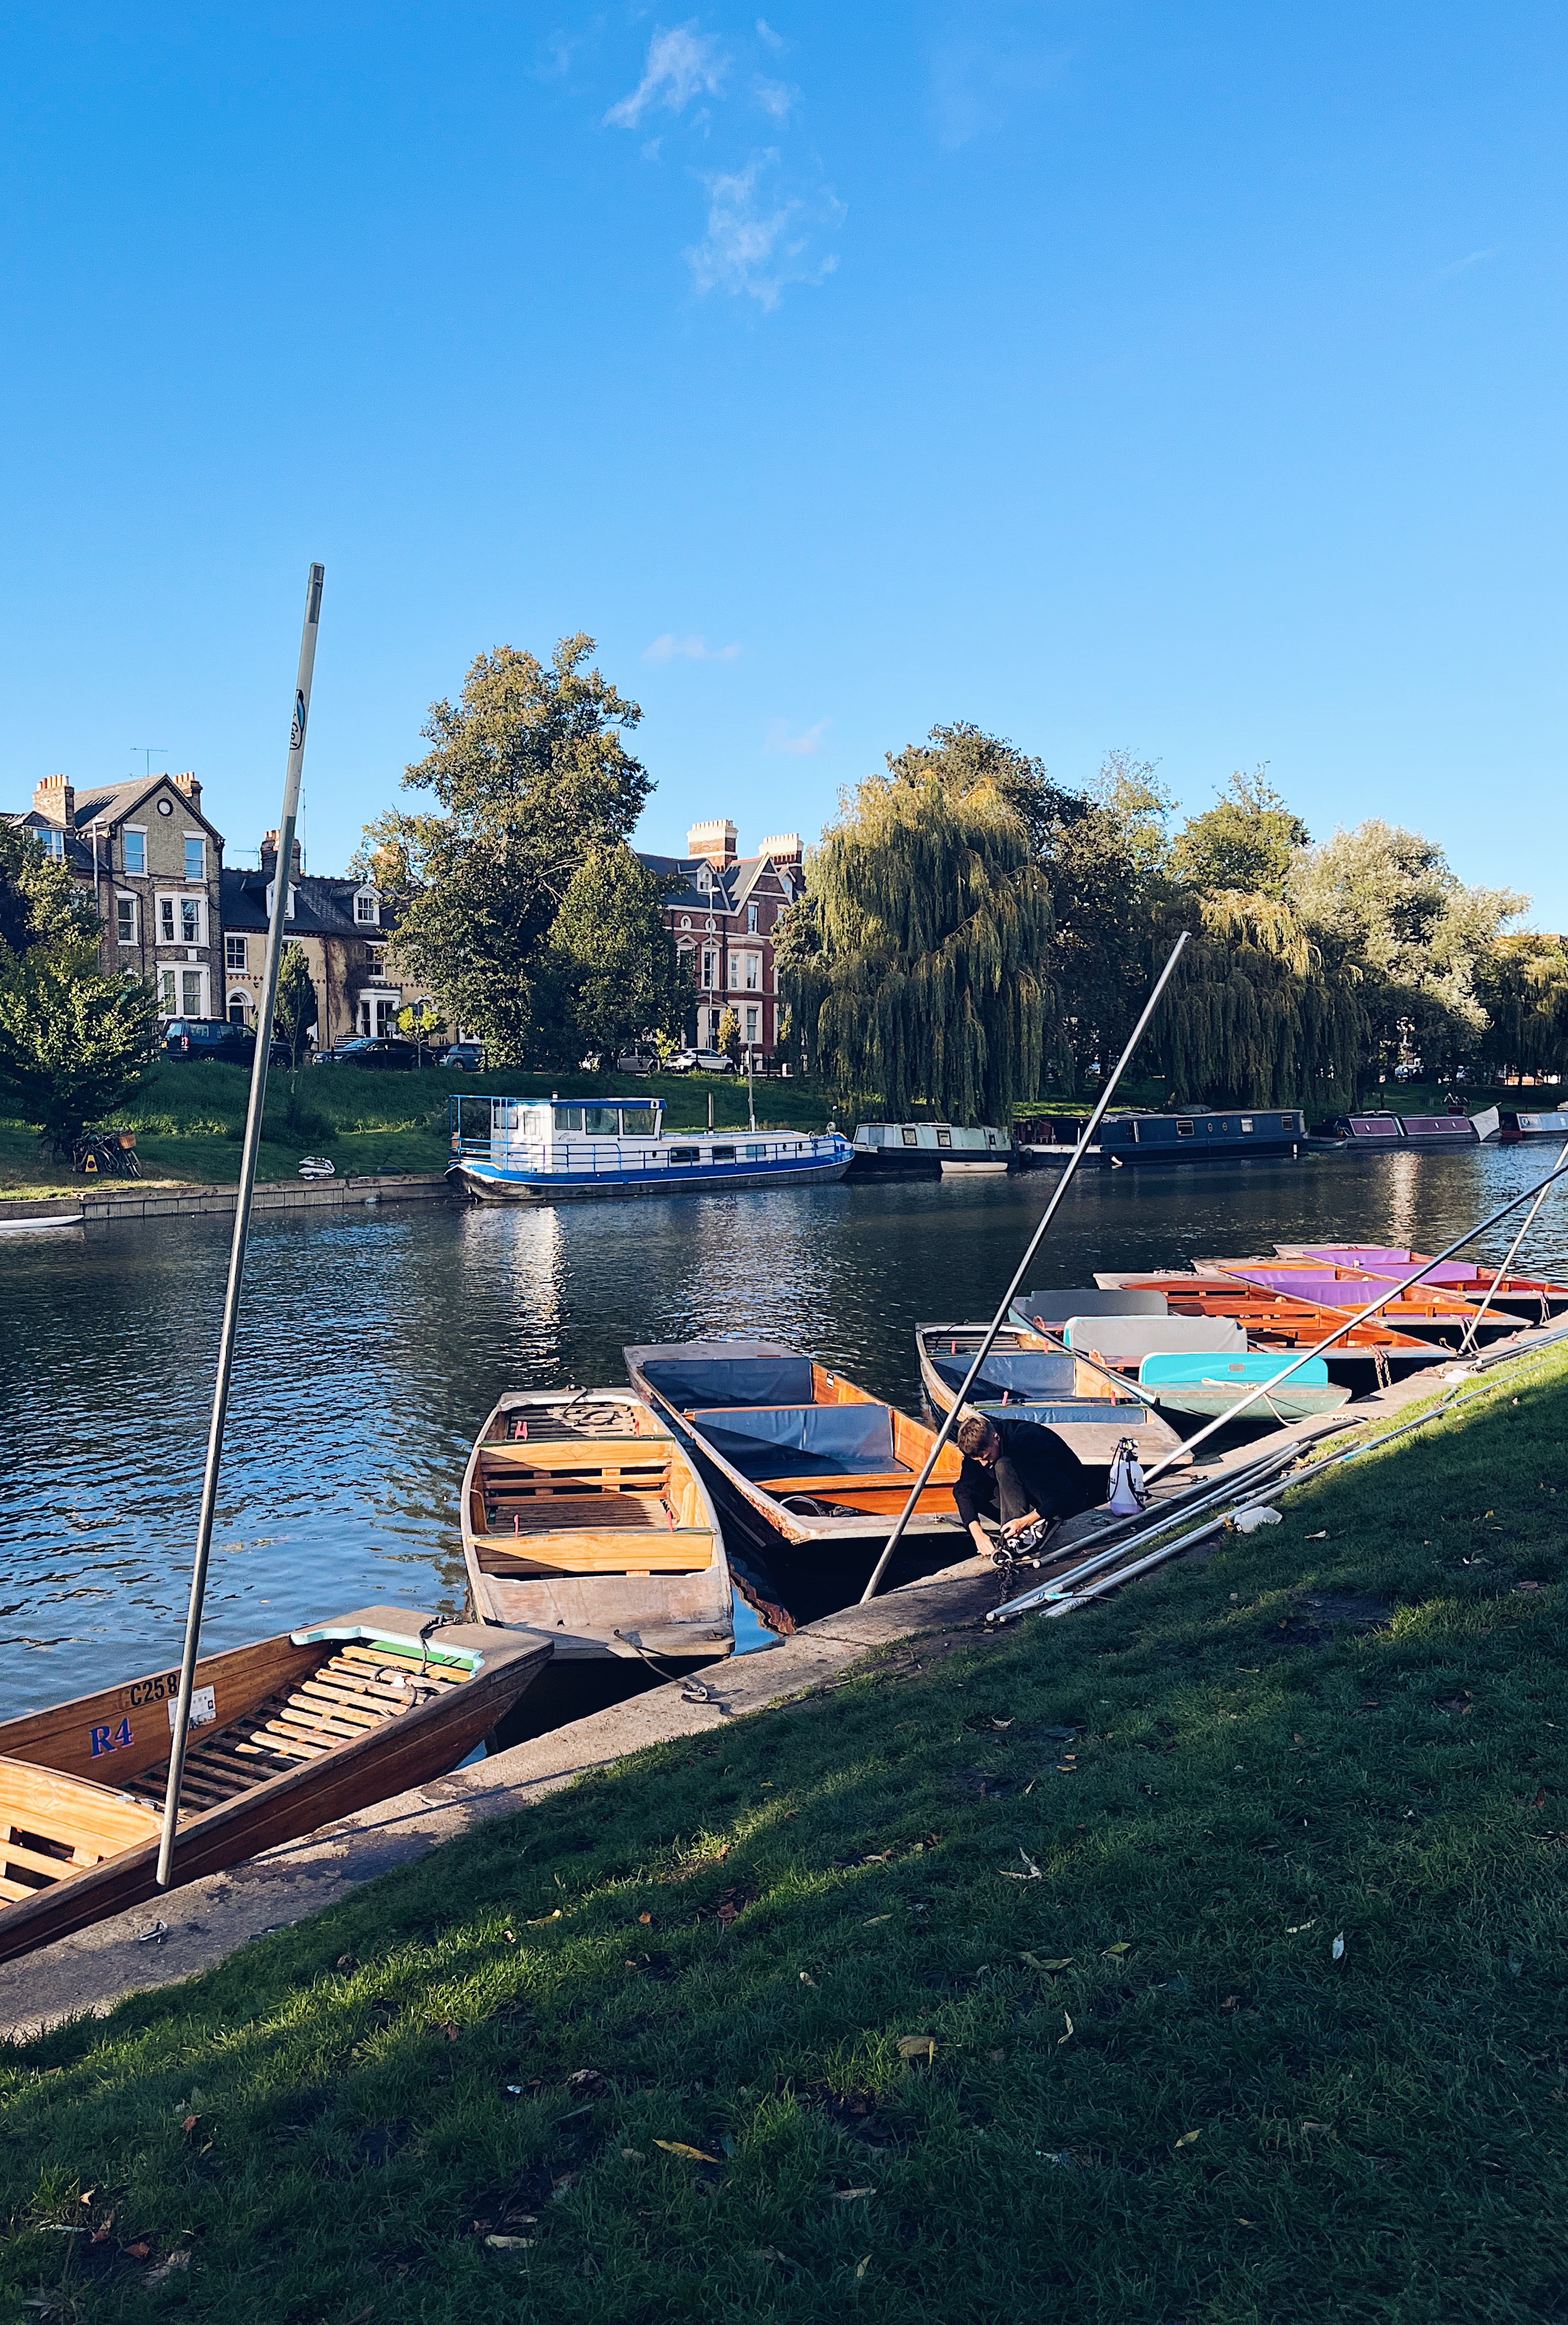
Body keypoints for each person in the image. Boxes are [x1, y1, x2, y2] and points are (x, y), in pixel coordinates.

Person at [952, 1408, 1098, 1559]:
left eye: (987, 1458)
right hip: (1033, 1493)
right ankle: (1012, 1530)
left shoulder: (1028, 1442)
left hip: (1066, 1497)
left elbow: (1063, 1495)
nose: (983, 1464)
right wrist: (978, 1534)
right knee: (970, 1490)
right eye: (979, 1460)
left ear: (996, 1439)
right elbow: (963, 1491)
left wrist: (1024, 1522)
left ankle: (1022, 1531)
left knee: (1003, 1465)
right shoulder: (979, 1446)